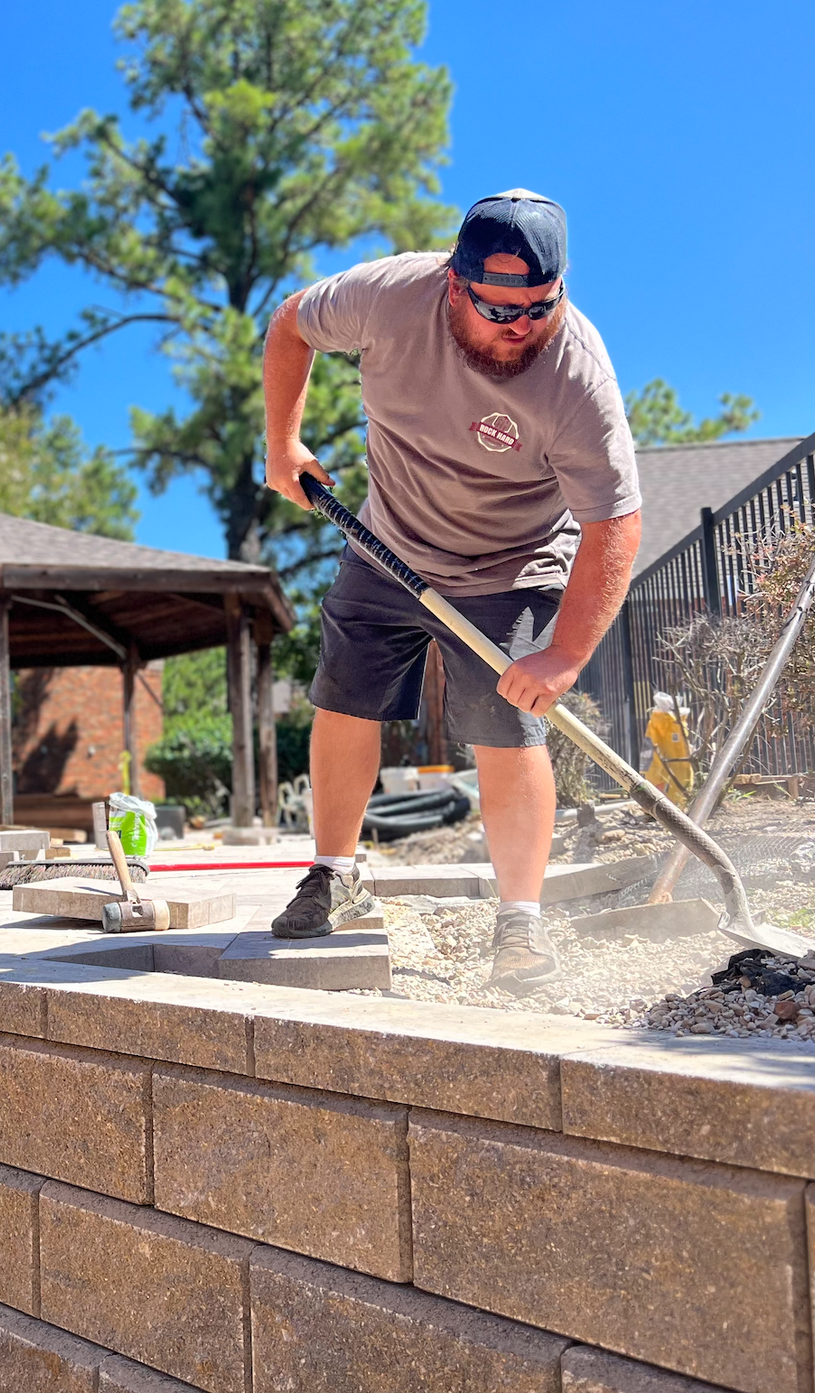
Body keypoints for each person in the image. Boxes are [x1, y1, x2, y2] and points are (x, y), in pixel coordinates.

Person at [260, 189, 642, 993]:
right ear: (453, 283)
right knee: (345, 697)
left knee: (505, 723)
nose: (520, 327)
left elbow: (615, 522)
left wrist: (565, 653)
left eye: (539, 307)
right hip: (390, 539)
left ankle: (520, 923)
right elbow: (292, 321)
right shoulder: (388, 296)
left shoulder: (578, 376)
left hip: (513, 560)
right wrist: (283, 443)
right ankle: (334, 873)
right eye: (499, 307)